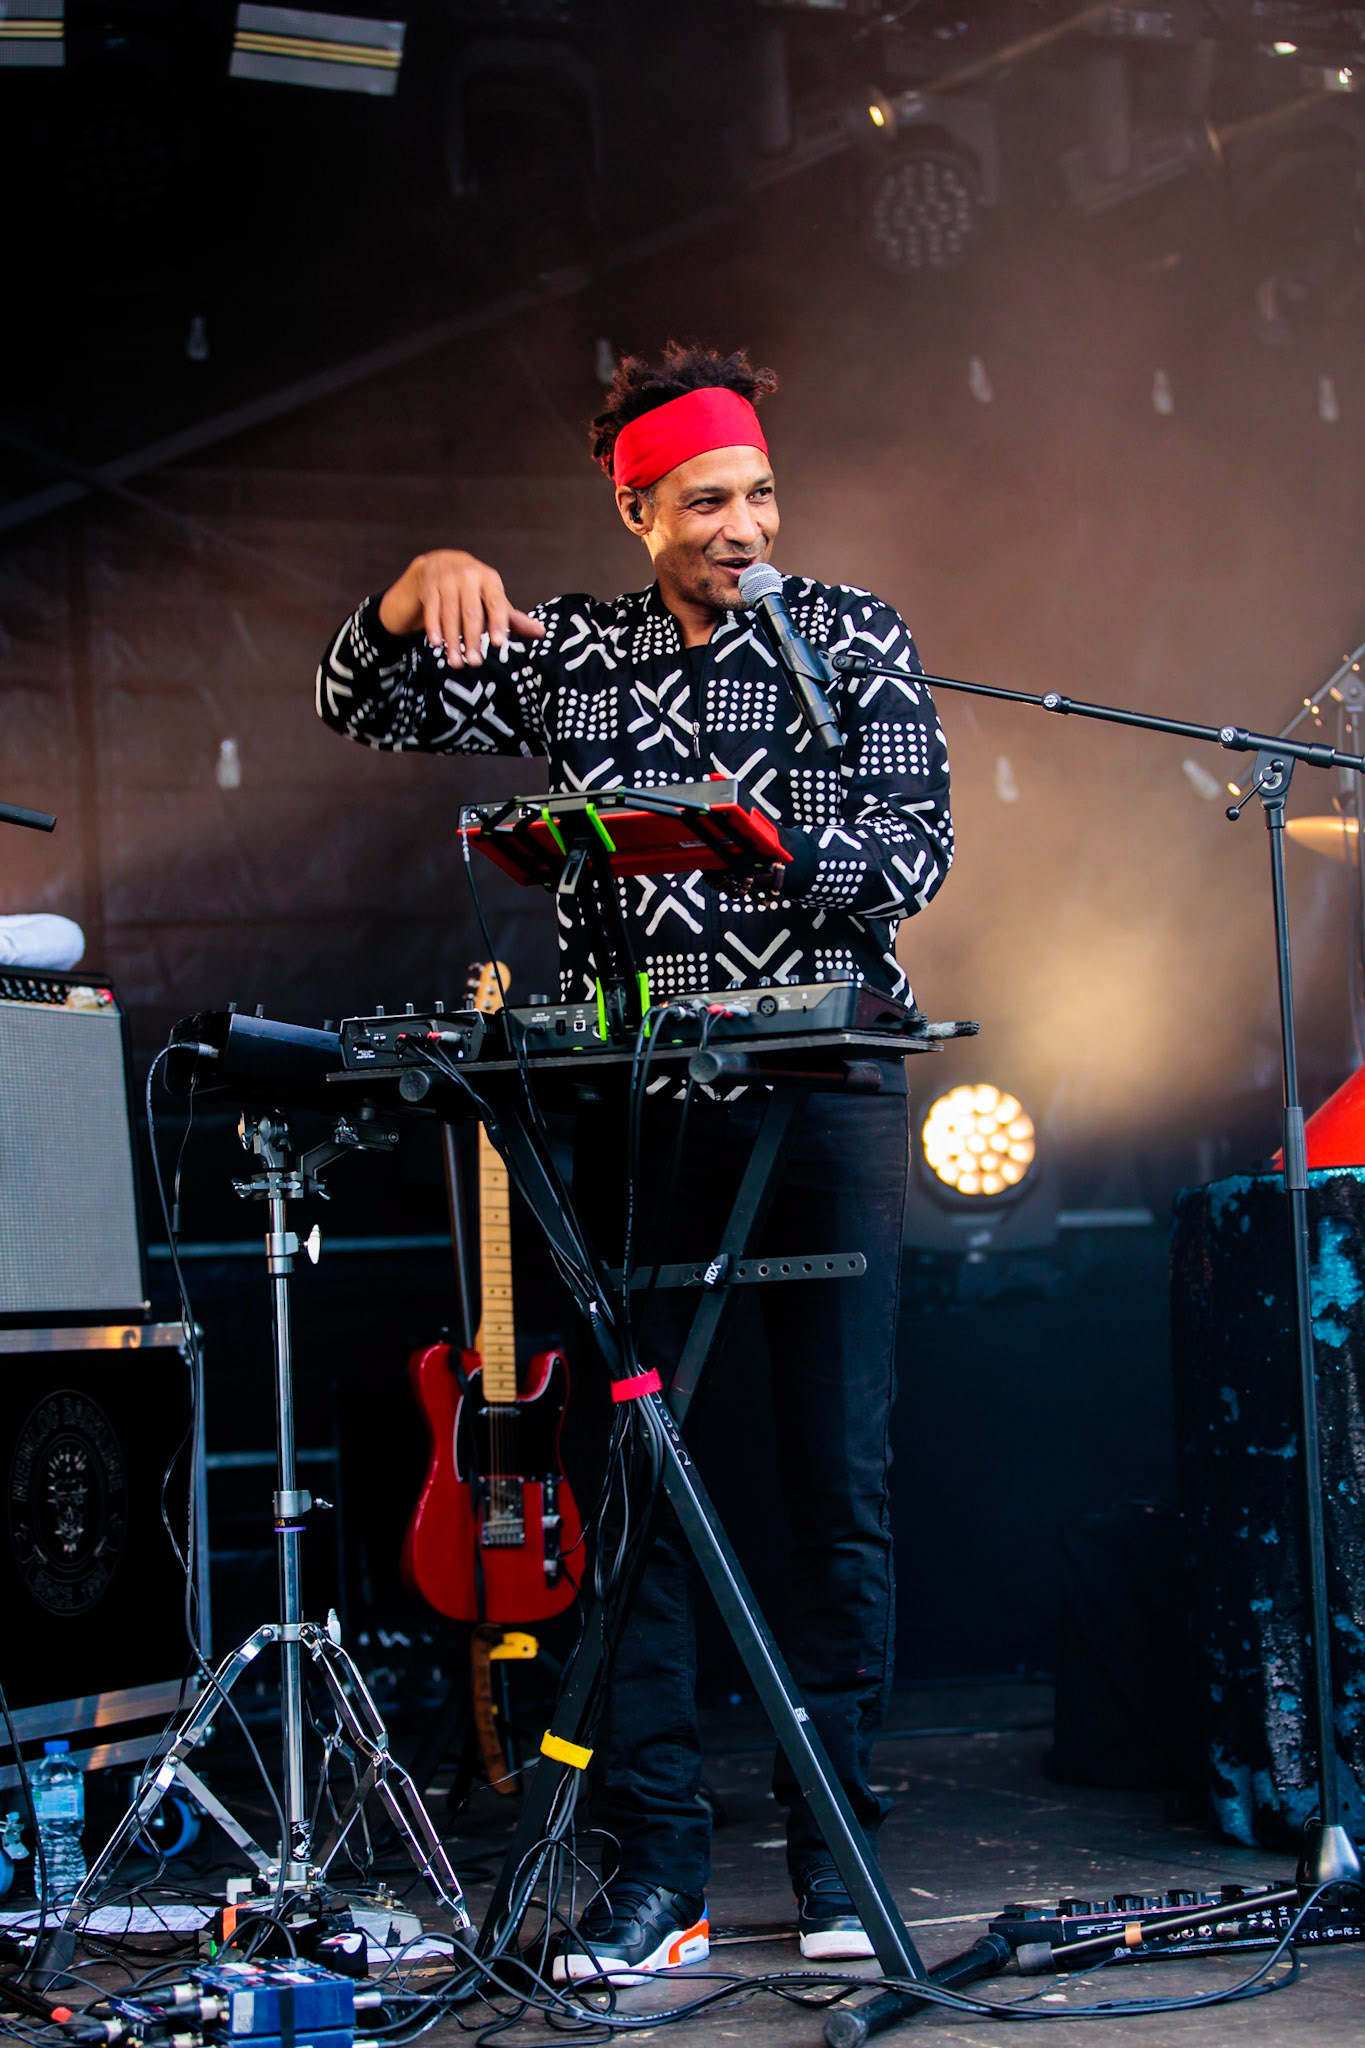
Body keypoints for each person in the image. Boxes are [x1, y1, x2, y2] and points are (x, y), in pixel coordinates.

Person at [316, 343, 953, 1981]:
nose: (743, 526)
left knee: (841, 1486)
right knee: (645, 1483)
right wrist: (414, 588)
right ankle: (658, 1862)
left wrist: (760, 844)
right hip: (639, 1099)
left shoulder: (850, 638)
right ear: (635, 508)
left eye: (757, 494)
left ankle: (832, 1849)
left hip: (825, 1088)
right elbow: (363, 702)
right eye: (706, 502)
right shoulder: (576, 652)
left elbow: (916, 847)